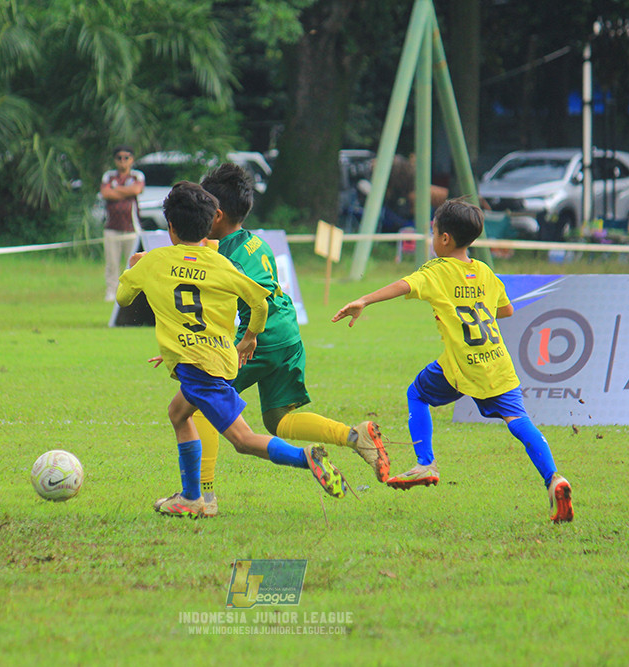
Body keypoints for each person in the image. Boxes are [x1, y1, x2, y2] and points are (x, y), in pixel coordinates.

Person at [167, 163, 388, 518]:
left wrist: (247, 338)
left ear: (217, 215)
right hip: (287, 335)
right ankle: (354, 436)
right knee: (278, 420)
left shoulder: (225, 258)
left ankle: (202, 495)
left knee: (195, 402)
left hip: (259, 339)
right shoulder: (256, 242)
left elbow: (254, 301)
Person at [332, 198, 574, 524]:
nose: (432, 237)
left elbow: (404, 285)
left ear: (444, 238)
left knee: (417, 394)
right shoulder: (484, 271)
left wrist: (364, 299)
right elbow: (506, 309)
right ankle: (554, 479)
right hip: (496, 363)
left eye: (433, 232)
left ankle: (425, 463)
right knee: (518, 420)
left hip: (461, 365)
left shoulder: (437, 270)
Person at [117, 181, 346, 518]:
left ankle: (304, 457)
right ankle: (191, 496)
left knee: (243, 440)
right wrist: (250, 337)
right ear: (208, 224)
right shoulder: (220, 262)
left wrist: (133, 267)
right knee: (178, 412)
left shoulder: (154, 262)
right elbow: (260, 303)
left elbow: (123, 298)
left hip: (200, 369)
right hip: (218, 358)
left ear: (170, 227)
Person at [100, 144, 145, 302]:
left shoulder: (137, 176)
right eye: (119, 158)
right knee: (112, 263)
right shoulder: (109, 176)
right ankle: (111, 292)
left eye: (126, 158)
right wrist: (125, 192)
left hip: (132, 227)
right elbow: (105, 193)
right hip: (112, 227)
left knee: (133, 262)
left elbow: (136, 190)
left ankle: (132, 292)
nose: (123, 161)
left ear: (132, 160)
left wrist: (116, 190)